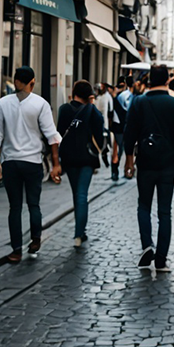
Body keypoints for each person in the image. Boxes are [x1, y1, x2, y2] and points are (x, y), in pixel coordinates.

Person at [123, 64, 174, 272]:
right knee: (165, 212)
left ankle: (147, 245)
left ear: (150, 79)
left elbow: (129, 132)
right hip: (167, 162)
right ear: (167, 81)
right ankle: (161, 259)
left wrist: (128, 159)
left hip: (145, 162)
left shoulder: (139, 102)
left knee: (143, 206)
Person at [0, 66, 62, 263]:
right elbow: (51, 137)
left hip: (11, 162)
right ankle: (35, 238)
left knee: (14, 207)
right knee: (33, 204)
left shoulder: (3, 103)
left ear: (15, 81)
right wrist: (55, 164)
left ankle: (16, 250)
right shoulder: (40, 104)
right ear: (33, 81)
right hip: (32, 162)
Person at [58, 80, 105, 248]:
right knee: (82, 194)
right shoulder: (93, 112)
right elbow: (100, 136)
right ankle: (79, 233)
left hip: (69, 158)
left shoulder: (64, 110)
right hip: (87, 158)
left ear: (74, 93)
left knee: (75, 193)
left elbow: (58, 133)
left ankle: (80, 230)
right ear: (89, 96)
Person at [94, 83, 113, 166]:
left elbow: (110, 110)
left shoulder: (106, 97)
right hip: (101, 124)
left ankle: (104, 156)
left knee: (104, 143)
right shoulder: (98, 98)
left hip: (104, 123)